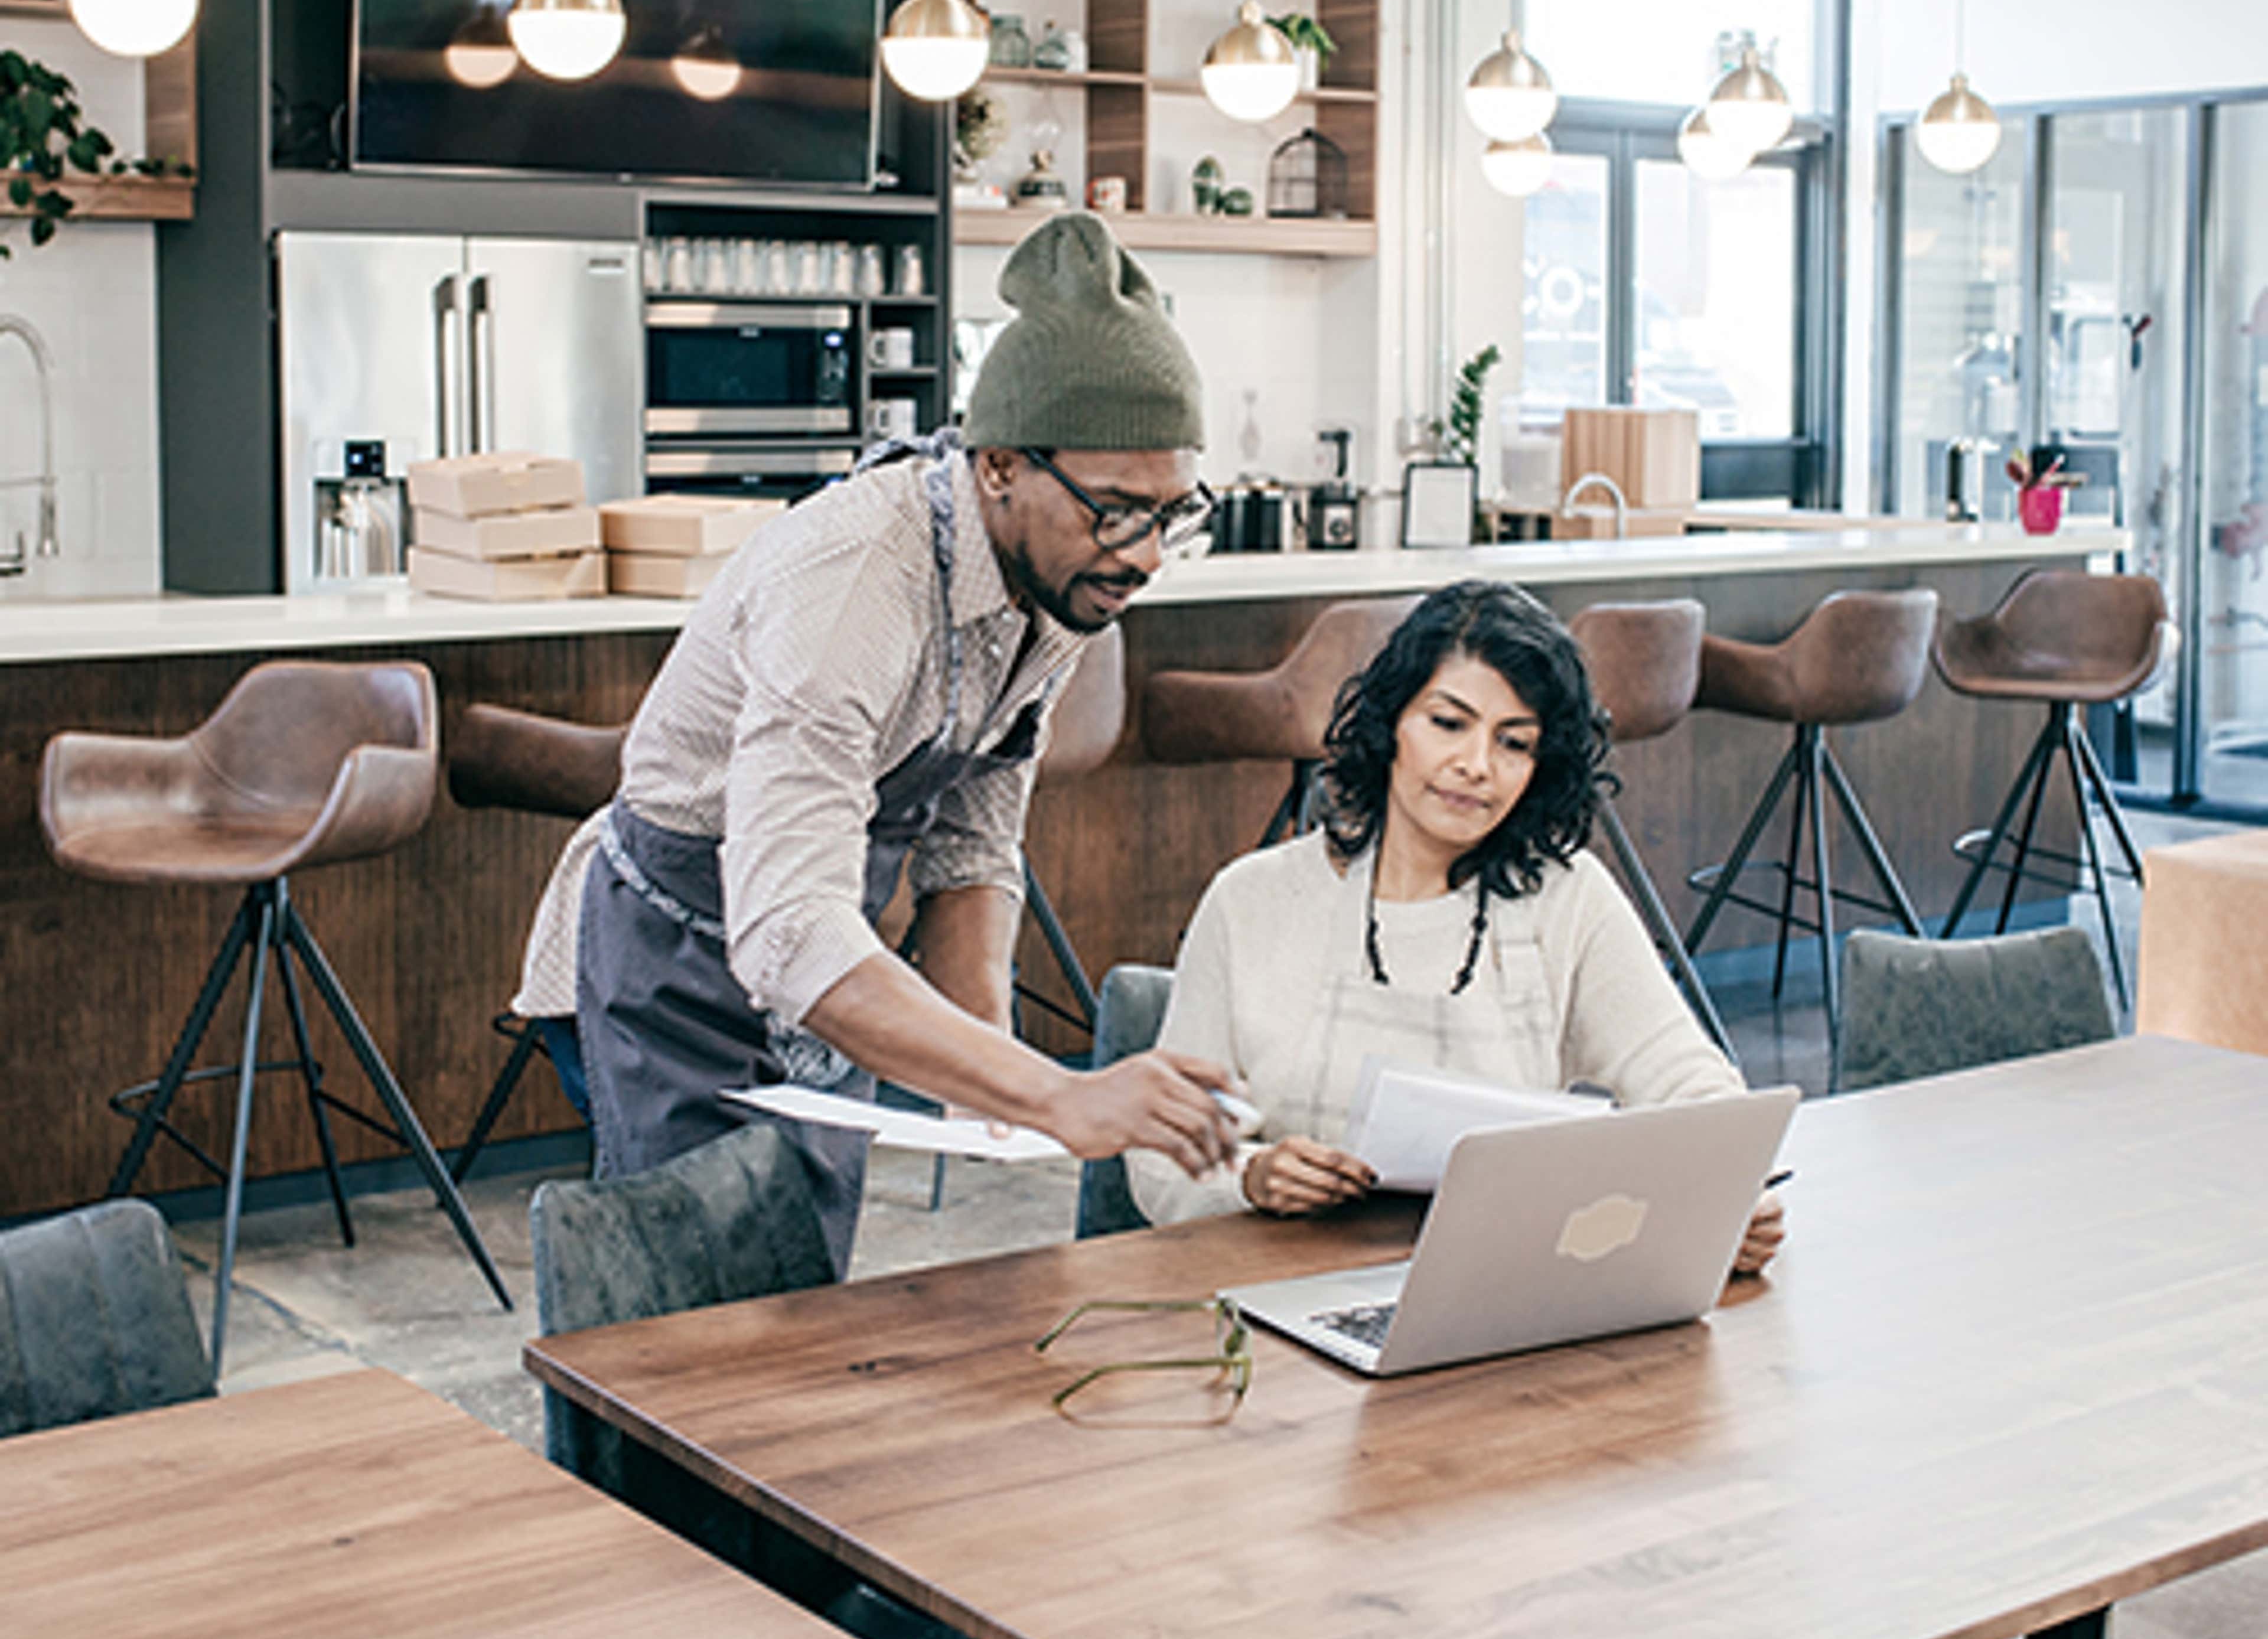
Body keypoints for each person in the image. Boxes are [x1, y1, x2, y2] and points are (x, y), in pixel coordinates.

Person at [515, 211, 1240, 1275]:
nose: (1144, 557)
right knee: (695, 1310)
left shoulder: (1065, 577)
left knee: (805, 1282)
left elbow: (972, 844)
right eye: (1118, 511)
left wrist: (984, 1064)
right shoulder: (855, 580)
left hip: (823, 963)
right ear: (999, 466)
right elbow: (786, 930)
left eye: (1172, 513)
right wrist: (1053, 1092)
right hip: (678, 959)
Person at [1127, 581, 1785, 1276]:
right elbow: (1160, 1157)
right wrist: (1254, 1176)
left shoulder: (1568, 899)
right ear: (1391, 727)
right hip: (1280, 1292)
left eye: (1514, 742)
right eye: (1448, 723)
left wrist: (1725, 1194)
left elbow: (1688, 1081)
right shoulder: (1252, 901)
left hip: (1505, 1284)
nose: (1476, 765)